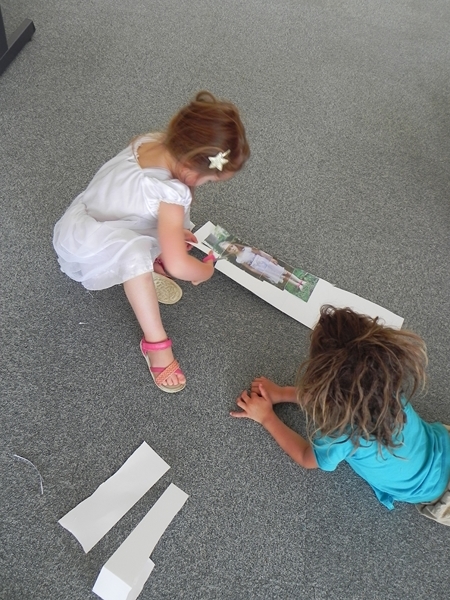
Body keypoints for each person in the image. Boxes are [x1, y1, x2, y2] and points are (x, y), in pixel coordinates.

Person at [53, 91, 250, 393]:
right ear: (191, 169)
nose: (205, 185)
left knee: (165, 231)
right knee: (137, 255)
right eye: (209, 180)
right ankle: (155, 343)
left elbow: (134, 201)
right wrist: (203, 271)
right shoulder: (171, 192)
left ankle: (155, 251)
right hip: (89, 243)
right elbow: (178, 266)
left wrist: (170, 234)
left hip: (90, 217)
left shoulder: (153, 141)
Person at [231, 305, 450, 526]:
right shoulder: (387, 386)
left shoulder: (341, 435)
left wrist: (267, 417)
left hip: (439, 497)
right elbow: (333, 394)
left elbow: (306, 457)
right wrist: (282, 393)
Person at [219, 242, 305, 289]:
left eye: (232, 246)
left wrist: (270, 258)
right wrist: (261, 273)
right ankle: (297, 285)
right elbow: (250, 268)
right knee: (280, 276)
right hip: (260, 268)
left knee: (282, 271)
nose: (232, 248)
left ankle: (299, 280)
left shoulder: (246, 249)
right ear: (228, 252)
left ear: (234, 244)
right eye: (229, 249)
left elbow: (259, 252)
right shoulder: (239, 260)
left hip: (264, 261)